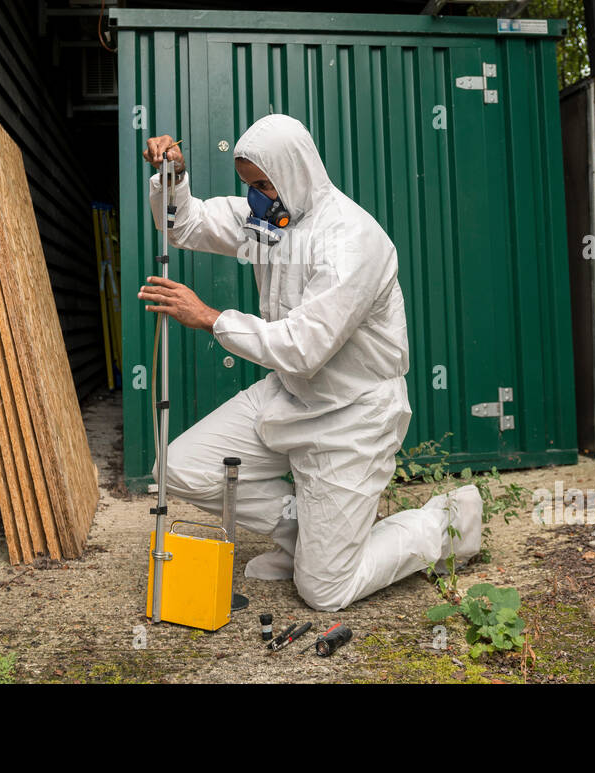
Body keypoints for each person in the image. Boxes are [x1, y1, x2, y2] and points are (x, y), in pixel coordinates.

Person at [138, 114, 482, 612]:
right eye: (247, 185)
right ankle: (306, 531)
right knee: (180, 467)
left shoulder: (351, 240)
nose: (253, 196)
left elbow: (304, 346)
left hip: (353, 414)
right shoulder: (272, 218)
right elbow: (184, 224)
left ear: (295, 171)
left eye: (260, 184)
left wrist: (210, 318)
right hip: (290, 391)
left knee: (324, 591)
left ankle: (450, 522)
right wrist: (173, 179)